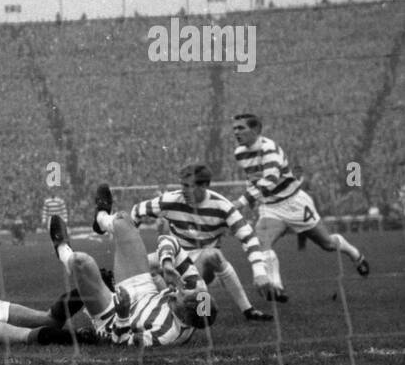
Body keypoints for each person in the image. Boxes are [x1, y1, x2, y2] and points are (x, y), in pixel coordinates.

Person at [48, 184, 217, 348]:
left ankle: (62, 248)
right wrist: (167, 263)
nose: (182, 289)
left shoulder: (165, 334)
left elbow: (121, 341)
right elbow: (169, 240)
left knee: (80, 261)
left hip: (113, 315)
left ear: (185, 315)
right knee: (123, 220)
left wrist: (122, 316)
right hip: (144, 291)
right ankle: (101, 217)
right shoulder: (198, 290)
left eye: (184, 294)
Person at [232, 113, 369, 301]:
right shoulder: (239, 153)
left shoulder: (269, 149)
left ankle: (356, 254)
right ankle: (276, 286)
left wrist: (241, 202)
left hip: (294, 202)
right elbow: (252, 180)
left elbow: (269, 181)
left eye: (241, 128)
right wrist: (250, 200)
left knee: (327, 244)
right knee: (262, 241)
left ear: (256, 129)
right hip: (270, 206)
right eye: (235, 128)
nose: (236, 132)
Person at [128, 164, 272, 321]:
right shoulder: (170, 200)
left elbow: (249, 237)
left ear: (204, 186)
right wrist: (132, 241)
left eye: (189, 186)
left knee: (213, 255)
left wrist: (260, 272)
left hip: (201, 263)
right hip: (173, 256)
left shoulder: (222, 206)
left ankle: (248, 310)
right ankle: (163, 311)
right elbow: (136, 211)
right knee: (137, 267)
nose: (184, 190)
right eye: (182, 185)